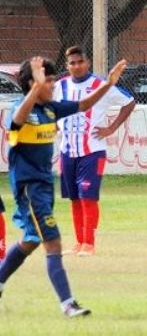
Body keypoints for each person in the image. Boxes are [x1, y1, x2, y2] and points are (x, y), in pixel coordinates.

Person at [0, 56, 127, 317]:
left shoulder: (51, 109)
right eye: (47, 80)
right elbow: (17, 122)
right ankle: (68, 304)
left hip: (45, 188)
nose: (53, 84)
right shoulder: (19, 109)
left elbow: (85, 104)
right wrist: (36, 87)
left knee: (30, 240)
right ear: (33, 83)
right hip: (29, 190)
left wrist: (108, 84)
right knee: (53, 242)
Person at [54, 46, 136, 257]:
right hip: (67, 151)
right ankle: (79, 242)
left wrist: (112, 128)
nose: (77, 66)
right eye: (72, 63)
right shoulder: (59, 86)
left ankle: (89, 244)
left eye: (80, 62)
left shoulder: (100, 85)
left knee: (88, 196)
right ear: (67, 66)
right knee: (74, 198)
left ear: (88, 63)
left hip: (93, 151)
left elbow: (129, 102)